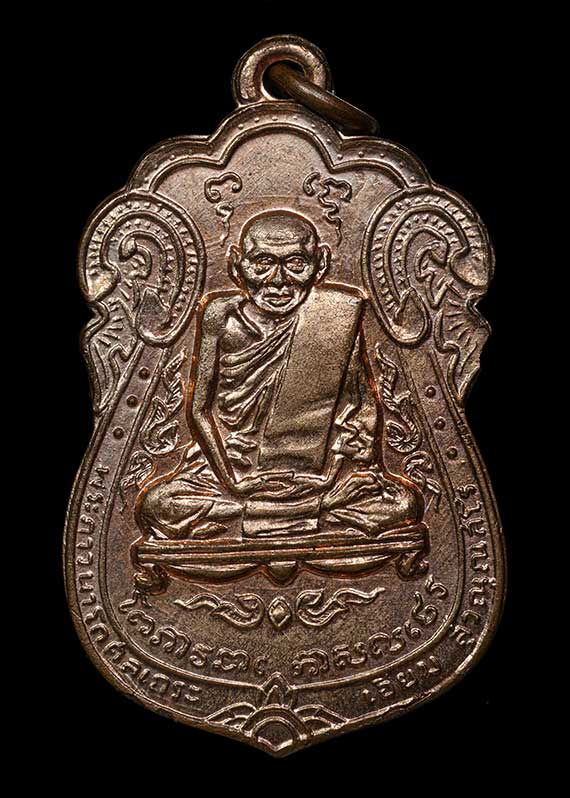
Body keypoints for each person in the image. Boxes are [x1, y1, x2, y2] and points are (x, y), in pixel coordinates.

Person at [137, 210, 422, 542]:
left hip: (318, 475)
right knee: (158, 504)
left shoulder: (336, 317)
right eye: (262, 263)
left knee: (404, 504)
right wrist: (234, 482)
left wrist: (332, 472)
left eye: (296, 264)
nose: (278, 281)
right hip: (230, 469)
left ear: (321, 264)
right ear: (236, 264)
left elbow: (363, 407)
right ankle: (316, 510)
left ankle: (272, 512)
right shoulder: (220, 316)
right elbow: (198, 410)